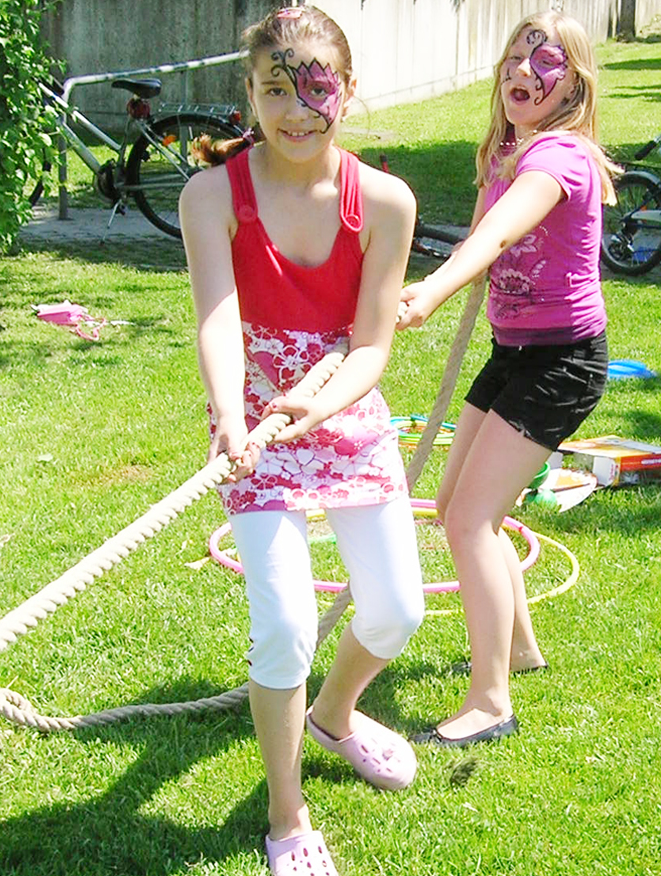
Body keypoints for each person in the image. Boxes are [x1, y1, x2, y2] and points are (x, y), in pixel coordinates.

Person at [180, 7, 425, 874]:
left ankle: (334, 714)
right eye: (273, 90)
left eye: (314, 88)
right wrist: (230, 414)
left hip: (342, 408)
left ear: (347, 91)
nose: (294, 110)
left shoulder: (385, 201)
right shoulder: (212, 196)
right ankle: (287, 817)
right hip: (253, 423)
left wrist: (318, 408)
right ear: (247, 94)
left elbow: (370, 346)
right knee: (283, 625)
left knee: (396, 610)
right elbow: (217, 317)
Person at [397, 11, 617, 748]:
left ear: (573, 84)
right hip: (515, 351)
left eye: (544, 62)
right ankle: (518, 648)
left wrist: (430, 292)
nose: (524, 71)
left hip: (561, 362)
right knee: (455, 506)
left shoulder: (560, 158)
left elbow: (494, 236)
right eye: (516, 58)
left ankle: (490, 701)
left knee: (468, 522)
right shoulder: (506, 152)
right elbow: (480, 235)